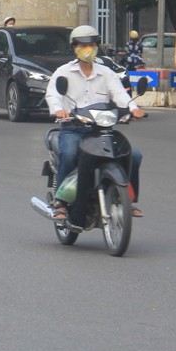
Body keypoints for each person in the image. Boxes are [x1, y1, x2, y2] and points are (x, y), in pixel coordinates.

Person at [45, 25, 146, 219]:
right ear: (74, 48)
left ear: (97, 47)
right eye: (82, 45)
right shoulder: (63, 72)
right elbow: (53, 94)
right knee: (69, 153)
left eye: (91, 45)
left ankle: (128, 200)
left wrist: (133, 108)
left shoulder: (106, 73)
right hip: (73, 129)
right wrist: (59, 109)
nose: (87, 49)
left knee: (134, 155)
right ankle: (61, 202)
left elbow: (119, 94)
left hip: (101, 130)